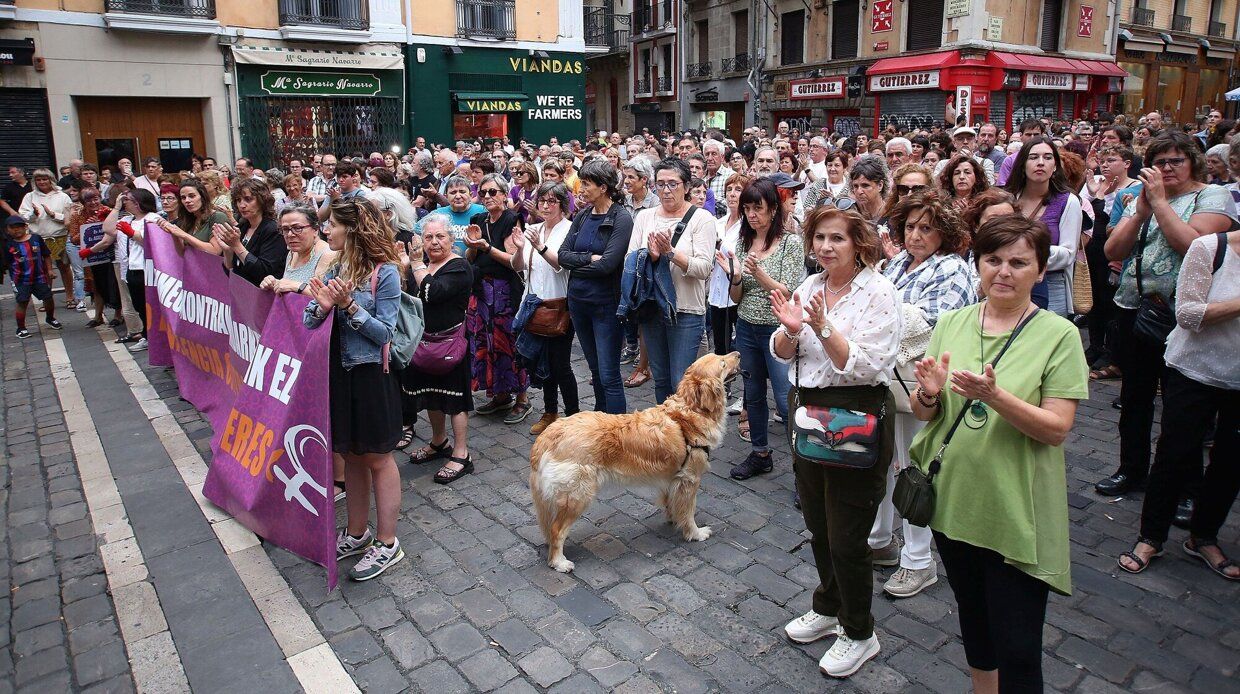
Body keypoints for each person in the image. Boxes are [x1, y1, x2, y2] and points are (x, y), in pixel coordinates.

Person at [909, 215, 1088, 692]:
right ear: (978, 264)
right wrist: (927, 395)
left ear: (1040, 268)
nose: (1004, 272)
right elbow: (927, 415)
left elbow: (1056, 429)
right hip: (955, 502)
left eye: (1018, 262)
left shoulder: (1059, 335)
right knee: (975, 621)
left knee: (1019, 646)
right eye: (993, 260)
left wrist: (996, 397)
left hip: (1014, 510)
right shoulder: (952, 323)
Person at [771, 206, 899, 678]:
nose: (825, 247)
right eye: (819, 237)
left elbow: (866, 365)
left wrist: (822, 327)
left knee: (848, 534)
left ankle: (860, 632)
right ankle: (828, 607)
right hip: (809, 413)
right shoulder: (810, 286)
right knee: (819, 524)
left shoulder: (880, 293)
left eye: (836, 239)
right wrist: (789, 330)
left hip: (856, 413)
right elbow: (783, 352)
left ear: (859, 244)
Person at [1096, 131, 1237, 496]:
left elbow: (1196, 247)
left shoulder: (1212, 196)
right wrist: (1140, 211)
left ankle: (1185, 488)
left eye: (1177, 160)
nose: (1167, 167)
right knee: (1135, 398)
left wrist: (1159, 203)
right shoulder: (1142, 198)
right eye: (1160, 162)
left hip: (1186, 318)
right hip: (1136, 308)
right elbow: (1113, 248)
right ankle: (1131, 469)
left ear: (1194, 162)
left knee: (1182, 411)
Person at [870, 191, 976, 598]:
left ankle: (919, 561)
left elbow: (932, 325)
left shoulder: (952, 268)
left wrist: (885, 315)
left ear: (944, 231)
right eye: (911, 227)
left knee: (914, 466)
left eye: (926, 228)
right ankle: (880, 540)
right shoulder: (896, 262)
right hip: (887, 377)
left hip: (921, 383)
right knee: (880, 459)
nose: (915, 235)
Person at [1117, 229, 1239, 580]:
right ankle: (1150, 537)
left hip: (1238, 378)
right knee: (1176, 452)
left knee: (1231, 462)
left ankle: (1204, 537)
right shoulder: (1210, 248)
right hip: (1194, 369)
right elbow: (1188, 314)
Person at [304, 198, 405, 581]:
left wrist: (349, 307)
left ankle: (387, 542)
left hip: (369, 374)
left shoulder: (386, 272)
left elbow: (385, 334)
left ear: (352, 228)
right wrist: (322, 306)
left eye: (331, 224)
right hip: (338, 373)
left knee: (378, 457)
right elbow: (309, 321)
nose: (326, 230)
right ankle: (358, 532)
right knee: (349, 453)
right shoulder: (334, 264)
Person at [728, 177, 806, 477]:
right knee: (754, 394)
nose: (751, 214)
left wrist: (757, 273)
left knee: (787, 404)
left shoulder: (790, 243)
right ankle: (760, 453)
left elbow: (787, 292)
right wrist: (735, 277)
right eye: (746, 208)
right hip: (747, 327)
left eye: (757, 207)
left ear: (773, 209)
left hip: (779, 332)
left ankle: (803, 469)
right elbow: (738, 296)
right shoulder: (743, 241)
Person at [625, 159, 717, 403]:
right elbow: (630, 258)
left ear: (686, 186)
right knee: (661, 378)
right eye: (661, 184)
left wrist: (671, 254)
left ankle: (686, 434)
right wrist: (650, 256)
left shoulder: (702, 219)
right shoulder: (645, 217)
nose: (666, 190)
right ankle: (667, 435)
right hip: (652, 307)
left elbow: (704, 268)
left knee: (681, 380)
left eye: (673, 184)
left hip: (686, 310)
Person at [402, 214, 477, 482]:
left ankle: (461, 453)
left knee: (455, 400)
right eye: (428, 237)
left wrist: (414, 264)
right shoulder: (423, 266)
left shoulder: (458, 266)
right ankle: (438, 441)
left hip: (449, 344)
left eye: (440, 236)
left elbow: (432, 292)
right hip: (422, 344)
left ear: (451, 239)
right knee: (431, 395)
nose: (434, 242)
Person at [558, 160, 634, 414]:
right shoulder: (582, 215)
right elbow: (562, 255)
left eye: (587, 184)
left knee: (609, 372)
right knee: (594, 369)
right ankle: (600, 424)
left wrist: (577, 264)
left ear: (603, 187)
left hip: (606, 305)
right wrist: (588, 259)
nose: (581, 188)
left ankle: (618, 430)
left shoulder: (621, 218)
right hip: (579, 302)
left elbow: (608, 265)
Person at [463, 173, 531, 425]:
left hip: (503, 292)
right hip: (480, 292)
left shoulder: (512, 219)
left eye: (493, 192)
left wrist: (486, 247)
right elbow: (470, 257)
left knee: (508, 343)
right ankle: (500, 393)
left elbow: (514, 262)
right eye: (483, 193)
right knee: (485, 342)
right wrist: (471, 244)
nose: (488, 197)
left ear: (504, 194)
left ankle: (522, 397)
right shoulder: (478, 218)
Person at [510, 182, 577, 435]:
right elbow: (519, 267)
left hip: (560, 306)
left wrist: (540, 246)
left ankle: (572, 417)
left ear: (563, 205)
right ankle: (550, 412)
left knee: (561, 365)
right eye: (542, 201)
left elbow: (562, 265)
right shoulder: (533, 228)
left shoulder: (570, 230)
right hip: (534, 305)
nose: (546, 206)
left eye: (552, 201)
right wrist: (519, 249)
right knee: (541, 363)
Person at [1005, 137, 1082, 316]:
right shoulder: (1007, 198)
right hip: (1009, 280)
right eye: (1033, 157)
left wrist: (1024, 254)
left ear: (1055, 166)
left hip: (1052, 284)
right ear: (1022, 164)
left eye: (1047, 158)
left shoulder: (1068, 201)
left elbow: (1068, 254)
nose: (1040, 163)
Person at [1080, 145, 1138, 379]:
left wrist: (1105, 196)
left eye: (1111, 160)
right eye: (1103, 160)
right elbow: (1088, 216)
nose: (1105, 164)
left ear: (1126, 163)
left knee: (1111, 302)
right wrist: (1095, 193)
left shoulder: (1134, 187)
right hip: (1093, 251)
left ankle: (1111, 352)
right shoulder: (1095, 183)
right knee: (1093, 301)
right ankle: (1095, 346)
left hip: (1115, 253)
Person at [19, 168, 74, 308]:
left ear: (51, 180)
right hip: (39, 238)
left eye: (44, 179)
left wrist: (53, 215)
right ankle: (46, 300)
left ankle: (70, 297)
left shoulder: (62, 196)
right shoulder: (29, 196)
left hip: (59, 236)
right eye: (38, 179)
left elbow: (71, 218)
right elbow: (24, 216)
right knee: (42, 270)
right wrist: (33, 214)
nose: (42, 182)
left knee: (64, 267)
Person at [217, 179, 286, 286]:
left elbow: (264, 272)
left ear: (262, 200)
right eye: (238, 200)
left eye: (248, 199)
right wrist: (227, 251)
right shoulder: (242, 227)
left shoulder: (273, 230)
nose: (242, 205)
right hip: (241, 292)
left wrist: (237, 246)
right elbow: (230, 271)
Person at [2, 215, 61, 338]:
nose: (16, 230)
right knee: (22, 302)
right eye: (12, 228)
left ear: (25, 227)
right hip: (21, 280)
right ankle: (21, 327)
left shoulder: (36, 239)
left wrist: (49, 270)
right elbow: (7, 263)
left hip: (39, 277)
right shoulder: (8, 245)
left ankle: (50, 318)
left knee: (48, 298)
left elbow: (46, 255)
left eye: (19, 227)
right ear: (7, 230)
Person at [260, 206, 335, 297]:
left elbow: (324, 296)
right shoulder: (292, 252)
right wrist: (274, 282)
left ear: (315, 229)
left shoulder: (326, 254)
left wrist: (296, 286)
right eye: (285, 229)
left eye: (297, 228)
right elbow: (286, 285)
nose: (290, 234)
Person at [420, 175, 485, 256]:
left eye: (462, 192)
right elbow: (416, 231)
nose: (458, 196)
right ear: (446, 196)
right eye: (453, 193)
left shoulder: (482, 211)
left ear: (471, 195)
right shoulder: (438, 214)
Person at [848, 156, 888, 222]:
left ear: (880, 185)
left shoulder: (892, 216)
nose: (859, 191)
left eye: (865, 185)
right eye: (855, 186)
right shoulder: (851, 216)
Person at [507, 159, 541, 225]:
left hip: (538, 224)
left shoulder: (541, 189)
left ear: (531, 174)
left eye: (521, 173)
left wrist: (535, 198)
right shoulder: (515, 189)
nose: (518, 176)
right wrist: (519, 203)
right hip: (519, 225)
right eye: (517, 173)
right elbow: (510, 214)